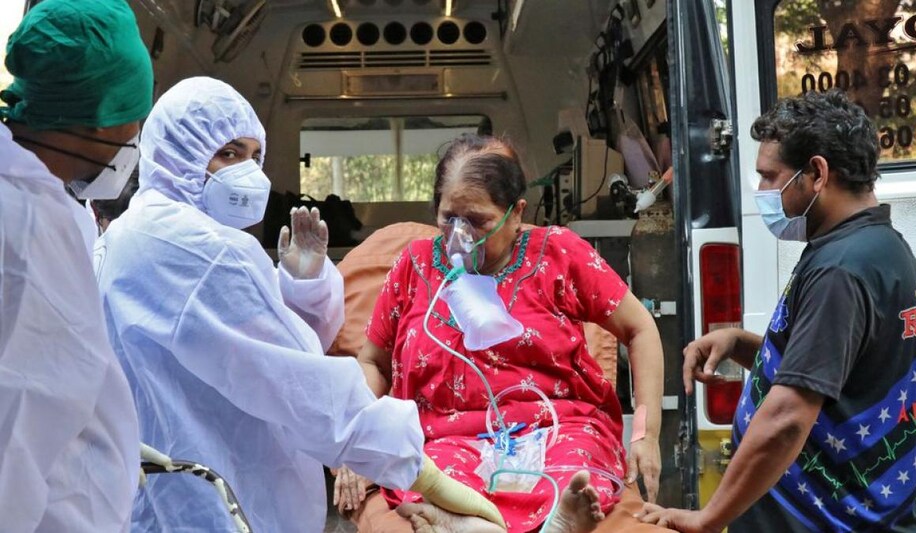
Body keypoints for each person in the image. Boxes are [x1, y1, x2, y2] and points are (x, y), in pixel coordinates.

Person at [94, 77, 503, 532]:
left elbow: (253, 344)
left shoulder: (132, 234)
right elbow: (298, 381)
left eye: (253, 156)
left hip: (161, 498)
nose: (247, 172)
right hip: (214, 503)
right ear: (177, 154)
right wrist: (417, 468)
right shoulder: (203, 251)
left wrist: (303, 282)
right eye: (228, 154)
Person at [638, 90, 916, 532]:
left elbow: (788, 417)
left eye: (770, 177)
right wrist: (741, 344)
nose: (762, 192)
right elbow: (833, 372)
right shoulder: (880, 248)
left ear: (816, 173)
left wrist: (710, 517)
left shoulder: (841, 270)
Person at [354, 134, 665, 533]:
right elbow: (371, 361)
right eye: (449, 218)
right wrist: (357, 441)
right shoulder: (414, 267)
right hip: (447, 437)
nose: (460, 235)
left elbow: (640, 328)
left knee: (574, 473)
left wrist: (645, 433)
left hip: (557, 428)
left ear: (516, 213)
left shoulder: (558, 255)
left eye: (478, 221)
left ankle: (529, 520)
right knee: (437, 480)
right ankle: (473, 521)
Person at [0, 0, 151, 530]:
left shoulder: (48, 201)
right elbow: (16, 417)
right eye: (136, 114)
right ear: (106, 117)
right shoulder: (26, 224)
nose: (136, 134)